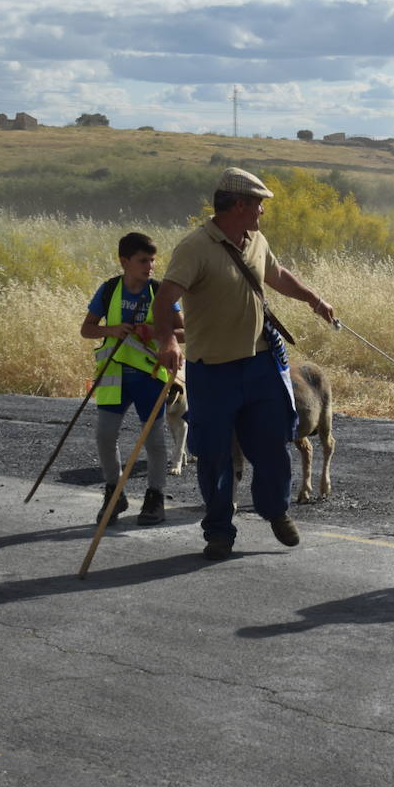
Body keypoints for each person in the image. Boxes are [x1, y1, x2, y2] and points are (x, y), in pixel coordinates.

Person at [153, 168, 336, 561]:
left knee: (273, 446)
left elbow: (277, 274)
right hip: (212, 371)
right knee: (216, 454)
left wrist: (313, 299)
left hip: (260, 364)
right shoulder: (194, 247)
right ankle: (219, 531)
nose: (262, 212)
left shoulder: (256, 240)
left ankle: (277, 511)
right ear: (239, 205)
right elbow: (166, 296)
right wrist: (167, 339)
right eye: (258, 204)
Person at [80, 232, 182, 527]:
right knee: (104, 437)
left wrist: (157, 333)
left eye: (152, 260)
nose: (150, 266)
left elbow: (185, 333)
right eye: (143, 260)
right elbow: (87, 330)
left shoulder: (160, 292)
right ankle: (114, 492)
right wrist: (110, 330)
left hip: (150, 376)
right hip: (113, 376)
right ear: (124, 261)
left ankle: (155, 497)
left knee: (154, 441)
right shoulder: (110, 289)